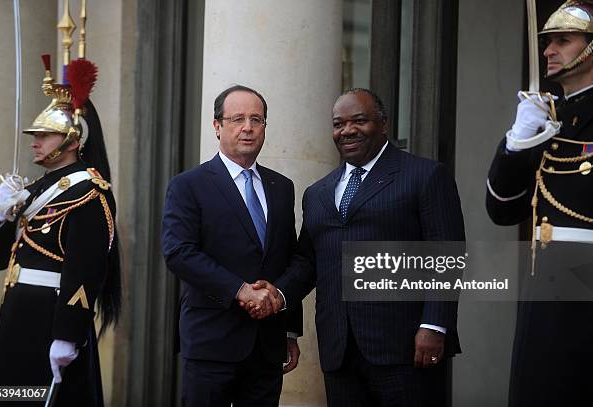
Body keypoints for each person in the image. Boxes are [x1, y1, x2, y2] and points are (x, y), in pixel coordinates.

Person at [249, 88, 465, 406]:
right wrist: (277, 295)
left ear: (383, 125)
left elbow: (447, 256)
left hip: (407, 347)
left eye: (359, 121)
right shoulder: (318, 193)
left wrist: (434, 325)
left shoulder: (425, 176)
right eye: (339, 124)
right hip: (340, 350)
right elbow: (308, 262)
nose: (347, 130)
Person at [0, 55, 120, 407]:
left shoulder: (89, 192)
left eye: (45, 135)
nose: (35, 141)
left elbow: (86, 269)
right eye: (35, 135)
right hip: (17, 315)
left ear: (73, 140)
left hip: (52, 321)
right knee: (8, 399)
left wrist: (68, 335)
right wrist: (1, 216)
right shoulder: (34, 190)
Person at [162, 85, 302, 407]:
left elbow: (287, 258)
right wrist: (240, 290)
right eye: (237, 118)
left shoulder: (281, 187)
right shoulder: (188, 185)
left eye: (257, 119)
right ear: (217, 126)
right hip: (212, 342)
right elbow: (179, 252)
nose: (248, 127)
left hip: (267, 345)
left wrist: (290, 332)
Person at [486, 1, 593, 406]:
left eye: (563, 41)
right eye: (547, 42)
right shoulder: (544, 119)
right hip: (546, 289)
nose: (548, 51)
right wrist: (518, 144)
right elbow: (501, 209)